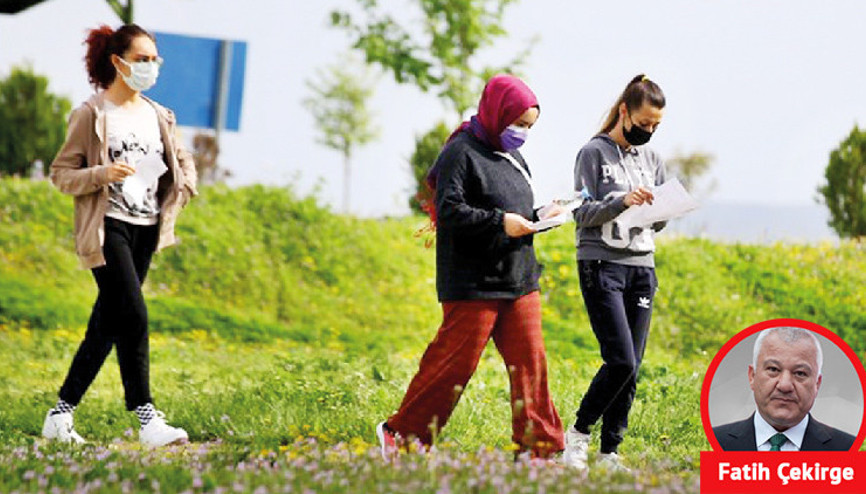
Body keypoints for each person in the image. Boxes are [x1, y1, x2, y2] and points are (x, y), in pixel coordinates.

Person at [376, 74, 565, 460]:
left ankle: (539, 450)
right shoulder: (460, 152)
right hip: (473, 282)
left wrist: (540, 215)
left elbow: (512, 208)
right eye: (518, 124)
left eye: (528, 127)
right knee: (454, 365)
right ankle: (403, 435)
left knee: (530, 364)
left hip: (518, 277)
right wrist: (500, 223)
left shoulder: (511, 156)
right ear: (497, 113)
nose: (522, 134)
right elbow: (450, 210)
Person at [44, 24, 197, 447]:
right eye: (142, 59)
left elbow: (181, 159)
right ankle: (147, 419)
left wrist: (186, 182)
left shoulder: (158, 114)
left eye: (154, 60)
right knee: (134, 316)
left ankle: (60, 415)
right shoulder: (92, 114)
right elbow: (61, 174)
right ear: (118, 62)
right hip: (106, 225)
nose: (151, 67)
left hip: (145, 229)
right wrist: (102, 174)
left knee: (107, 324)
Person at [562, 74, 667, 471]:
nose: (649, 132)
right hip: (601, 264)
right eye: (643, 124)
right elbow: (582, 213)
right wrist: (621, 201)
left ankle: (610, 452)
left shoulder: (651, 159)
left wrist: (662, 211)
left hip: (642, 267)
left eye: (655, 126)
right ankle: (578, 435)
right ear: (623, 112)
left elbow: (656, 223)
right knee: (620, 359)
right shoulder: (592, 154)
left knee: (634, 366)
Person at [713, 327, 855, 451]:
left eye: (800, 373)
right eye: (773, 369)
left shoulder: (847, 449)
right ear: (752, 376)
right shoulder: (716, 441)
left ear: (817, 384)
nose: (785, 385)